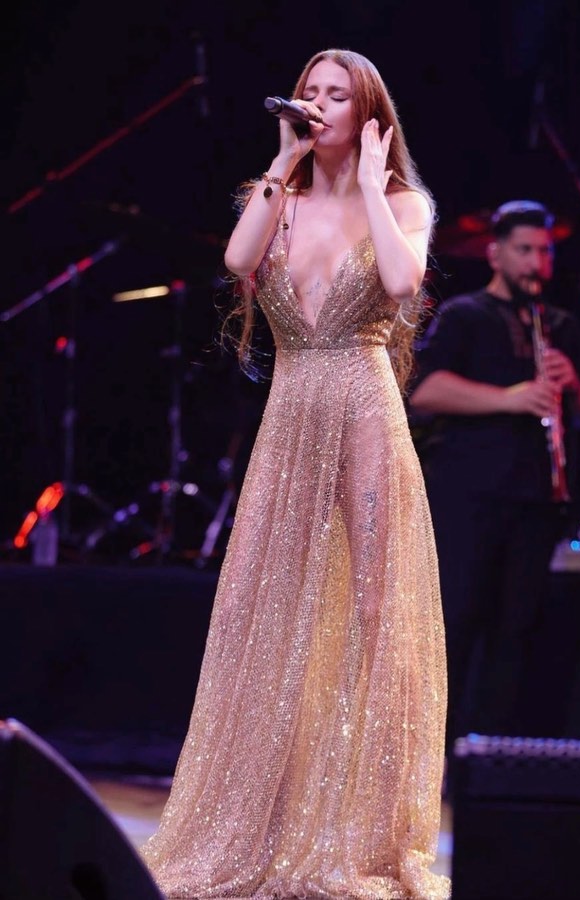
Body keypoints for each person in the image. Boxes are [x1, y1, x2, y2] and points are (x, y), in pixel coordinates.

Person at [140, 48, 450, 900]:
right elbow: (238, 261)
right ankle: (266, 817)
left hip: (363, 407)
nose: (316, 104)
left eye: (335, 95)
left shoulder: (404, 203)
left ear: (368, 113)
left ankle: (368, 833)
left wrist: (376, 184)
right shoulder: (277, 195)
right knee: (263, 600)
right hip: (290, 414)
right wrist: (282, 164)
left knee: (377, 607)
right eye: (309, 92)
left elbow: (401, 282)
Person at [408, 200, 580, 784]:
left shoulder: (562, 324)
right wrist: (511, 398)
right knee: (456, 623)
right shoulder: (466, 315)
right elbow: (424, 392)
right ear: (495, 253)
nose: (536, 263)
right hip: (468, 494)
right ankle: (430, 765)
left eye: (545, 251)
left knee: (516, 633)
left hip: (537, 499)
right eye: (524, 250)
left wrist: (574, 386)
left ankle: (491, 767)